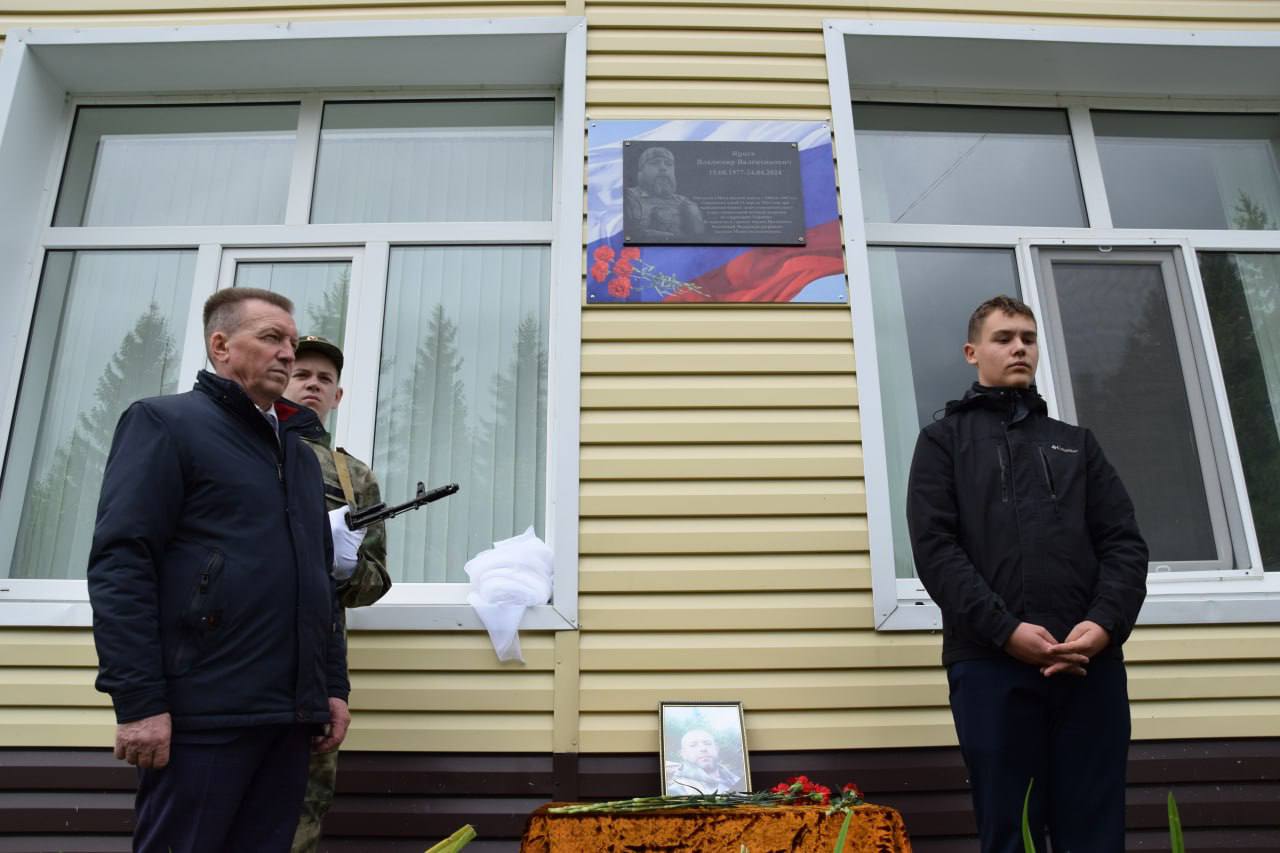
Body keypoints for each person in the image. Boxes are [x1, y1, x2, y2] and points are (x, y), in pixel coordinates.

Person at [87, 288, 349, 853]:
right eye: (271, 338)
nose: (288, 353)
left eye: (291, 341)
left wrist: (331, 687)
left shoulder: (301, 457)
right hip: (201, 715)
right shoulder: (165, 423)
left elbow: (317, 580)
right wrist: (139, 703)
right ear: (221, 345)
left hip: (288, 718)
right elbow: (122, 565)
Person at [906, 295, 1149, 853]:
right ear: (972, 352)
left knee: (1095, 834)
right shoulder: (942, 443)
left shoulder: (1077, 444)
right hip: (990, 668)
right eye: (1004, 338)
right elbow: (936, 550)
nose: (1019, 348)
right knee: (1011, 833)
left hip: (1088, 669)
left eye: (1028, 338)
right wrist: (1006, 631)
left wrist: (1103, 625)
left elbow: (1124, 545)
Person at [285, 335, 390, 853]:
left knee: (302, 813)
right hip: (232, 661)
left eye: (324, 379)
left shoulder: (352, 478)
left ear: (338, 396)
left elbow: (374, 581)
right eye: (301, 374)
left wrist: (343, 564)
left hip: (315, 668)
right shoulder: (239, 450)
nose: (312, 384)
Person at [625, 145, 707, 241]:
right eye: (655, 163)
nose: (663, 168)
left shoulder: (684, 202)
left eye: (668, 164)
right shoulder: (629, 197)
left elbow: (697, 238)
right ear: (641, 171)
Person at [664, 728, 744, 795]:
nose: (703, 749)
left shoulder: (738, 780)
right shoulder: (677, 790)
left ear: (716, 749)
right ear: (683, 754)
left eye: (708, 743)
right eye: (693, 745)